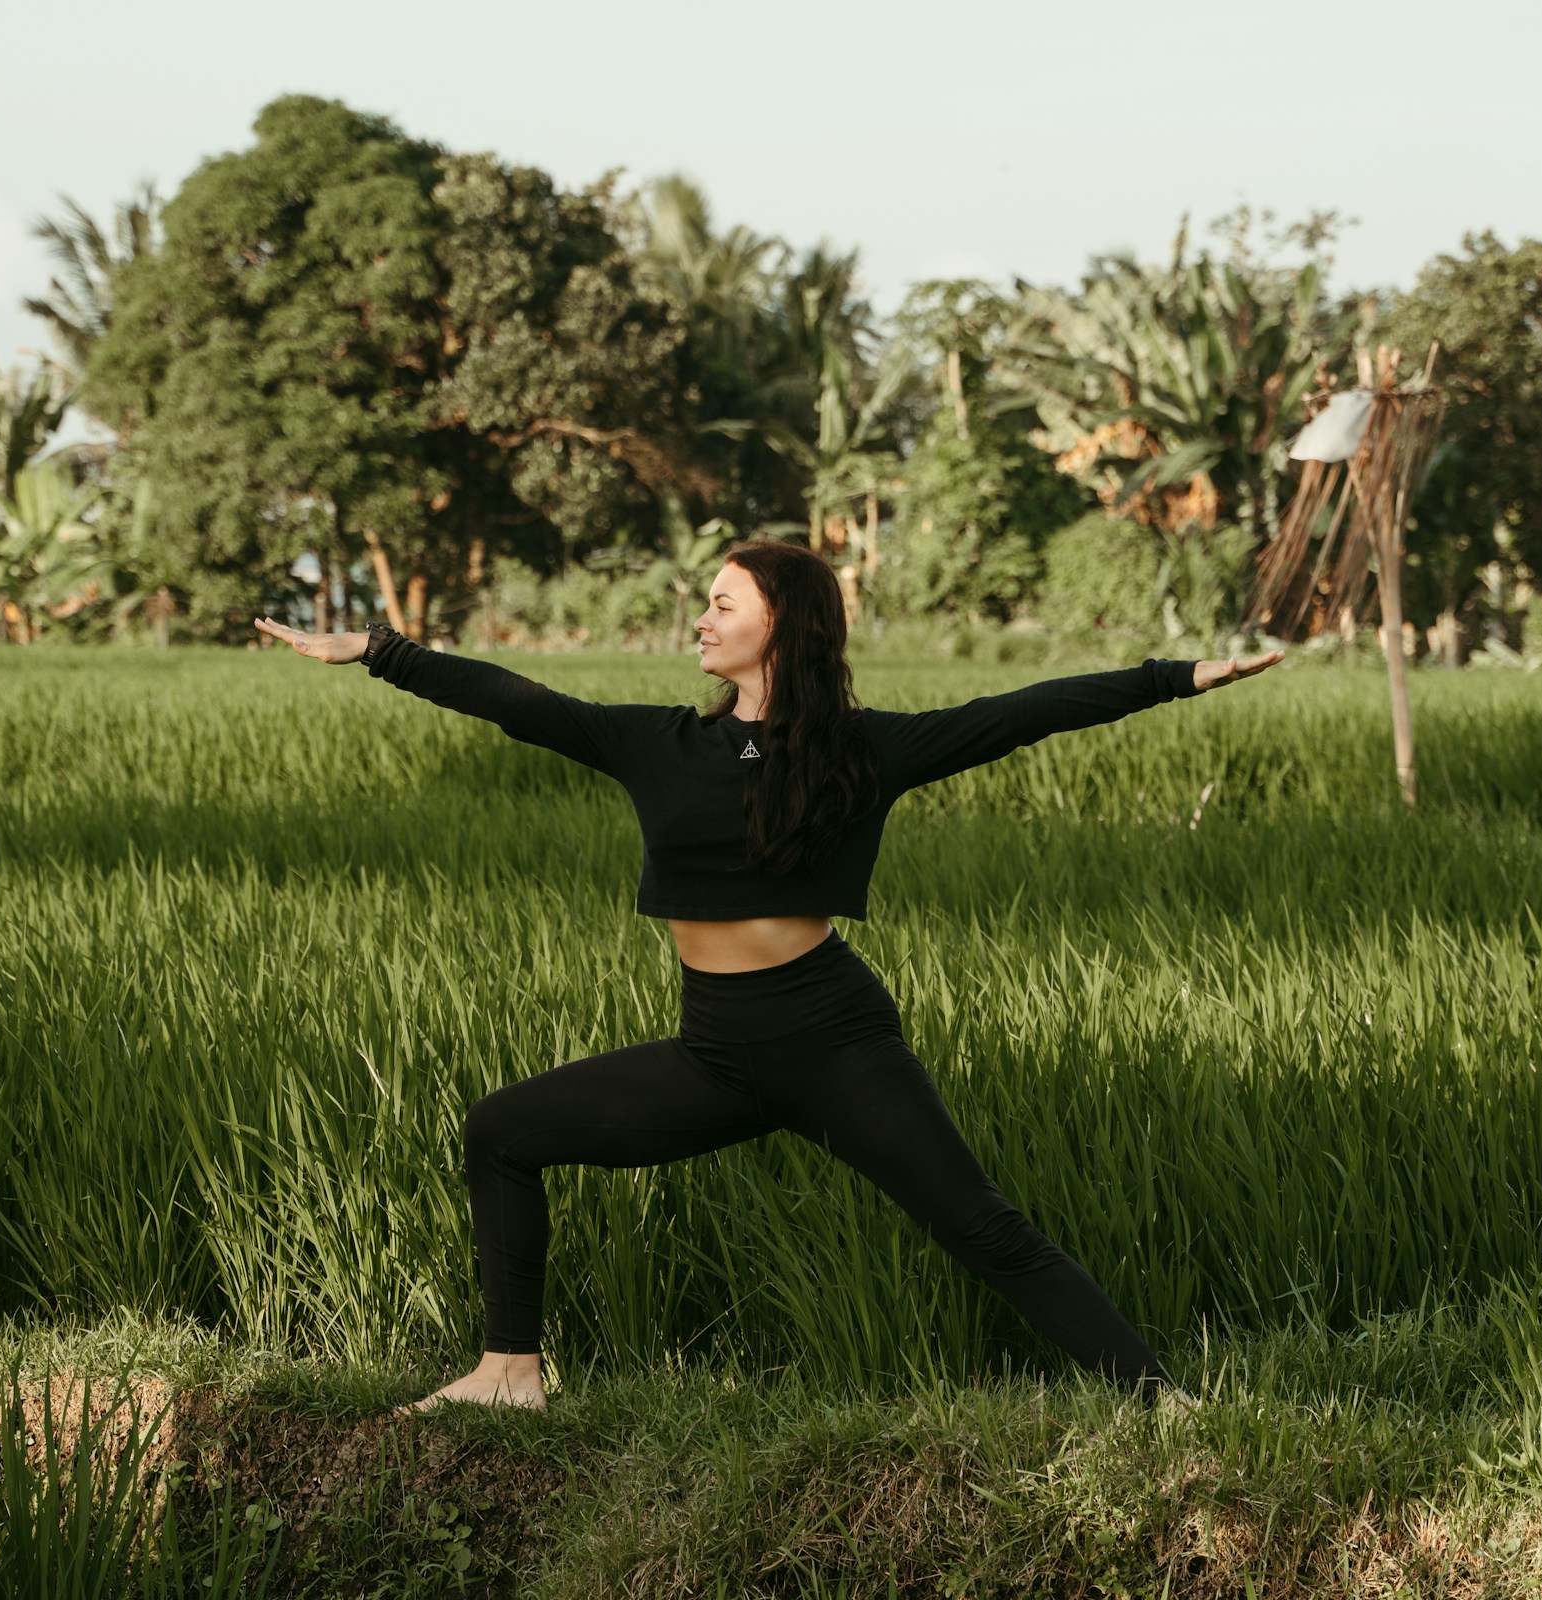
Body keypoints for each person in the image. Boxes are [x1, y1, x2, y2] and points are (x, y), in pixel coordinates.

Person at [254, 540, 1282, 1412]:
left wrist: (1172, 676)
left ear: (780, 623)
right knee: (502, 1131)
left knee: (982, 1227)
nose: (699, 620)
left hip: (836, 1041)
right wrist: (379, 651)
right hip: (717, 1052)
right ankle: (510, 1369)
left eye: (720, 602)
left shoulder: (864, 750)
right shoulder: (654, 743)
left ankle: (1163, 1403)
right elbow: (516, 702)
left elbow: (1020, 711)